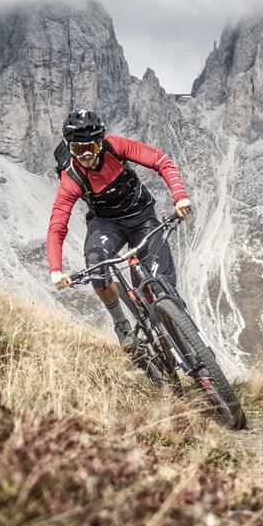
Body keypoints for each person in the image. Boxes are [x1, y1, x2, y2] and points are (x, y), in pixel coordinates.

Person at [46, 109, 191, 347]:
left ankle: (183, 334)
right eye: (77, 150)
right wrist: (56, 269)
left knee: (162, 284)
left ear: (101, 143)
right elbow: (57, 226)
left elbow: (161, 161)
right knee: (95, 264)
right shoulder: (71, 177)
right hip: (106, 224)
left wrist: (180, 197)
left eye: (90, 148)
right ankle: (122, 326)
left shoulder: (115, 146)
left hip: (141, 215)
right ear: (69, 148)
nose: (85, 156)